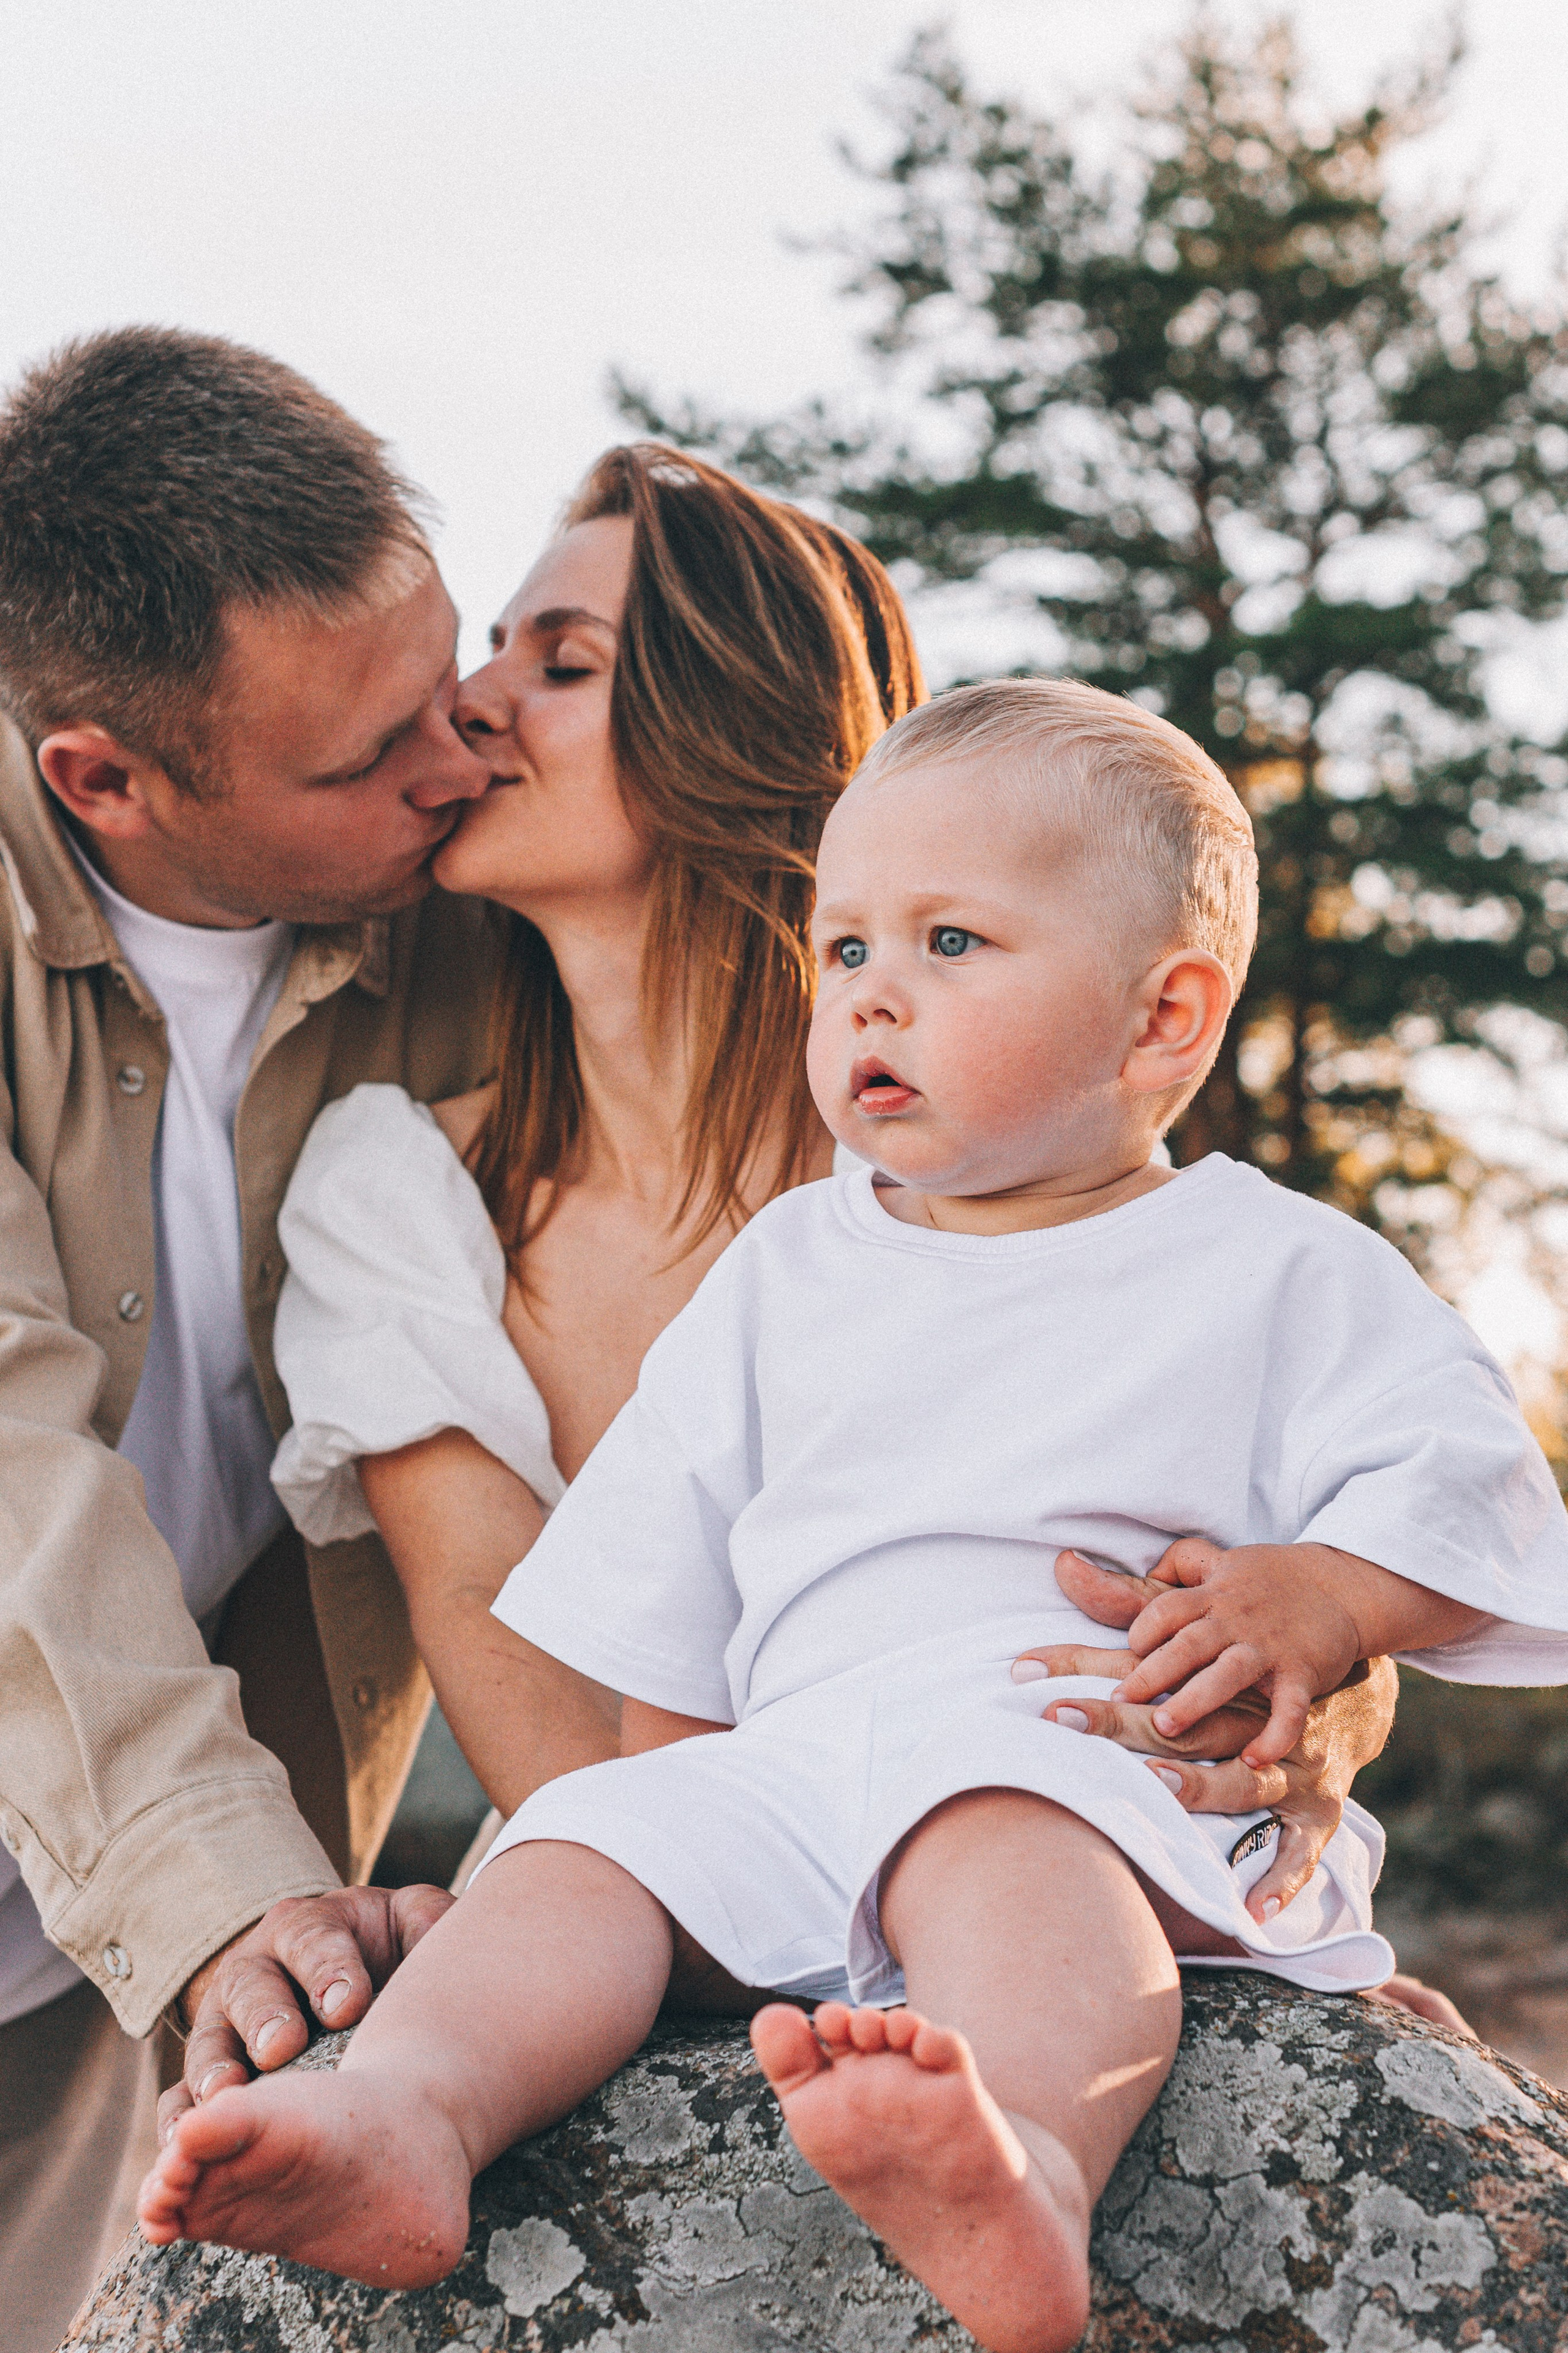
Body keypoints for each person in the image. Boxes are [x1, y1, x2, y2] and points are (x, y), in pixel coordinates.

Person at [139, 679, 1563, 2349]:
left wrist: (1321, 1596)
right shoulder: (786, 1271)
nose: (877, 997)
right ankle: (410, 2116)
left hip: (1070, 1749)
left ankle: (1022, 2157)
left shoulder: (1273, 1263)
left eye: (952, 944)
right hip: (796, 1765)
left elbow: (1465, 1478)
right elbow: (667, 1600)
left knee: (1005, 1844)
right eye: (848, 950)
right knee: (572, 1855)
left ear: (1165, 1016)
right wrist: (664, 1835)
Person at [0, 326, 500, 2350]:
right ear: (101, 777)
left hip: (105, 1968)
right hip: (170, 1874)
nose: (452, 765)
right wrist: (220, 1890)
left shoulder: (477, 923)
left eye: (441, 685)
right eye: (359, 758)